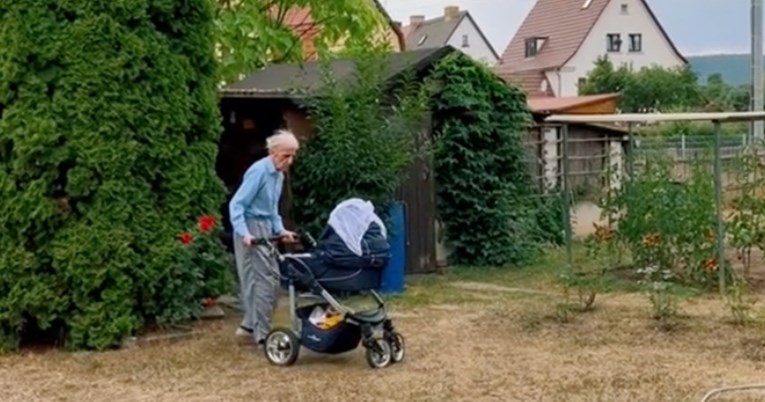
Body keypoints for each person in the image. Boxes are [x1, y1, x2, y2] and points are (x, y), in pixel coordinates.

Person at [229, 129, 299, 347]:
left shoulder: (278, 174)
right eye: (286, 155)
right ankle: (260, 334)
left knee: (273, 279)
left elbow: (272, 210)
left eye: (293, 155)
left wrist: (281, 231)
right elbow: (237, 204)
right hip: (250, 228)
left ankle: (251, 325)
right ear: (273, 151)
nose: (290, 160)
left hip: (266, 227)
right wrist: (245, 233)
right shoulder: (258, 171)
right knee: (260, 282)